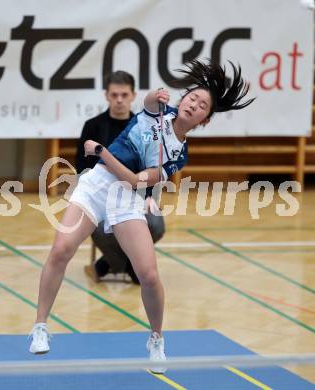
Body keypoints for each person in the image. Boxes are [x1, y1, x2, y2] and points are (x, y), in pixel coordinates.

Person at [29, 59, 255, 373]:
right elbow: (149, 102)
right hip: (95, 187)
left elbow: (136, 181)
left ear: (204, 119)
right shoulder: (158, 113)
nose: (194, 104)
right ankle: (40, 326)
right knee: (61, 251)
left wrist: (102, 152)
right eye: (192, 98)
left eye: (202, 105)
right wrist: (155, 96)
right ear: (181, 99)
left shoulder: (178, 156)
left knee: (148, 275)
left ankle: (156, 339)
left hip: (126, 198)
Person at [75, 70, 165, 284]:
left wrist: (149, 196)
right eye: (114, 95)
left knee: (156, 225)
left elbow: (150, 167)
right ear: (106, 95)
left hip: (135, 197)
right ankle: (130, 266)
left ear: (133, 95)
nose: (119, 100)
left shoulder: (143, 128)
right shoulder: (93, 126)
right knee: (99, 229)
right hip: (101, 198)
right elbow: (83, 169)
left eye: (124, 95)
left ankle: (107, 264)